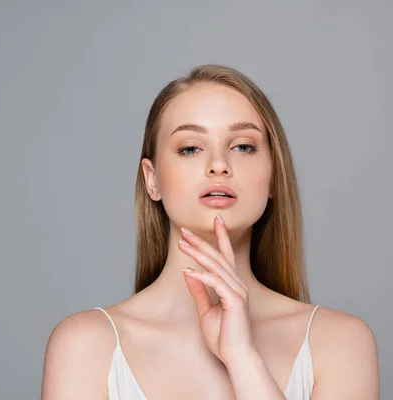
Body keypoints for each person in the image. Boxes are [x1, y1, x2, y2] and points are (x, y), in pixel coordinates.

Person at [40, 64, 379, 399]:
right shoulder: (85, 346)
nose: (219, 165)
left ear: (274, 177)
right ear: (152, 179)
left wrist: (243, 358)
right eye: (190, 148)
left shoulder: (340, 342)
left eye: (243, 146)